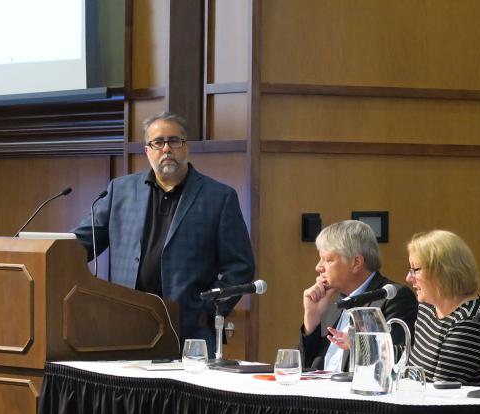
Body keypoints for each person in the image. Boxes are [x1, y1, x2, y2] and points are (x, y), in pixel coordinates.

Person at [72, 111, 255, 349]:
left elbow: (240, 268)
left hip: (189, 331)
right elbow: (82, 241)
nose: (166, 149)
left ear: (186, 147)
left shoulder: (219, 198)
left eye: (174, 141)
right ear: (147, 151)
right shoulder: (120, 191)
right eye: (158, 142)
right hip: (126, 327)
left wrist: (207, 309)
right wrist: (45, 250)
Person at [300, 220, 417, 370]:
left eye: (328, 260)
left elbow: (396, 362)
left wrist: (359, 344)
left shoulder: (392, 298)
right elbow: (304, 369)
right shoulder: (331, 305)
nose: (318, 267)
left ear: (356, 262)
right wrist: (312, 321)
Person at [405, 230, 480, 386]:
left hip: (461, 409)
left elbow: (440, 391)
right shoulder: (428, 307)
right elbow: (410, 366)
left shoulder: (471, 321)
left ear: (442, 271)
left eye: (415, 270)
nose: (409, 278)